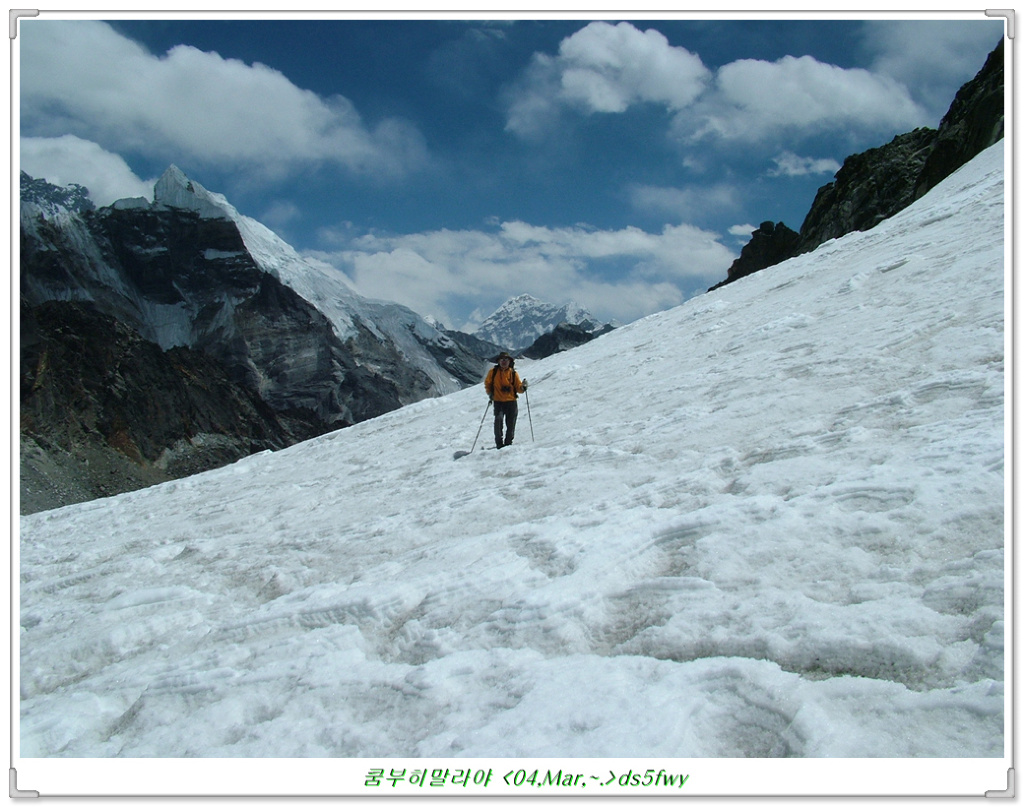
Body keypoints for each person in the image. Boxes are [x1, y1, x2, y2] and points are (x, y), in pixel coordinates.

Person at [484, 352, 527, 449]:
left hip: (511, 401)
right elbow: (488, 384)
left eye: (506, 360)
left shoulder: (513, 373)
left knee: (511, 423)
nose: (504, 361)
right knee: (498, 421)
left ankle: (508, 443)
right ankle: (499, 444)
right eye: (502, 359)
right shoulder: (493, 372)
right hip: (499, 401)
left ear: (509, 361)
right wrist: (490, 393)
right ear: (499, 361)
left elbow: (518, 387)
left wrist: (523, 388)